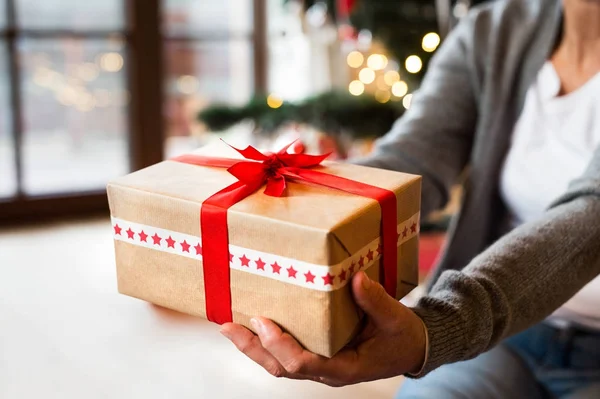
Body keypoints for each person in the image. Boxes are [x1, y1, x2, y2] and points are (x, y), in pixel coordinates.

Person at [219, 0, 600, 397]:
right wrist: (292, 197)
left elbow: (592, 215)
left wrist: (436, 328)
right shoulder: (495, 31)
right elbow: (410, 159)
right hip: (505, 339)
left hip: (494, 320)